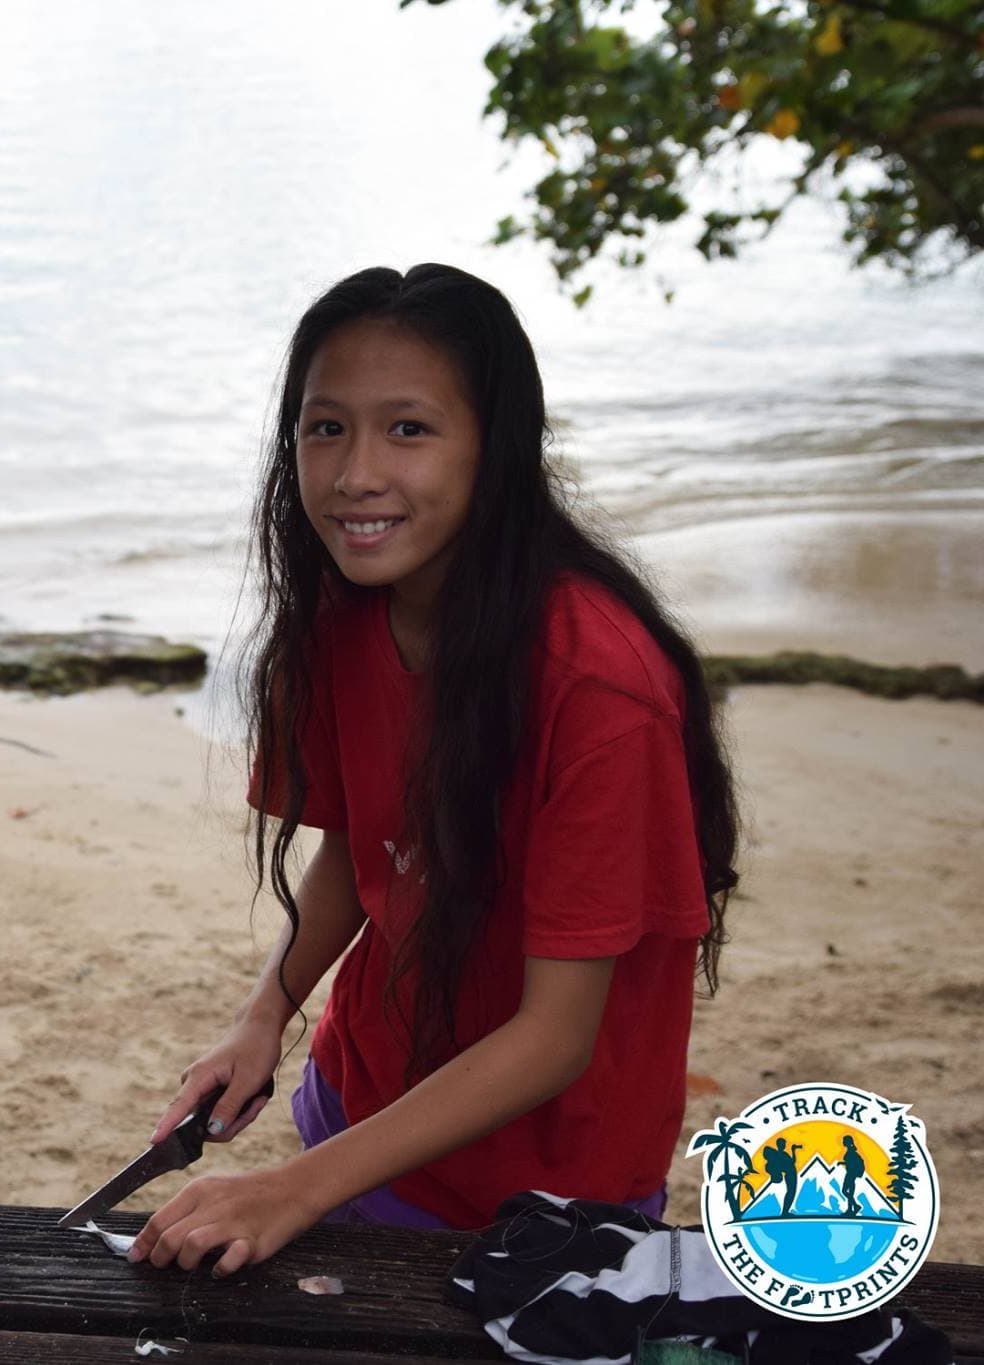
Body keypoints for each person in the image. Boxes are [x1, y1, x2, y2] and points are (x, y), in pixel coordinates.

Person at [127, 265, 739, 1275]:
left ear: (494, 447)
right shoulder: (339, 617)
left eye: (407, 429)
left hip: (546, 1185)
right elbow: (359, 852)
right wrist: (263, 1017)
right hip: (360, 1107)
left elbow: (554, 1036)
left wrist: (285, 1190)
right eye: (325, 428)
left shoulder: (596, 686)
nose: (355, 473)